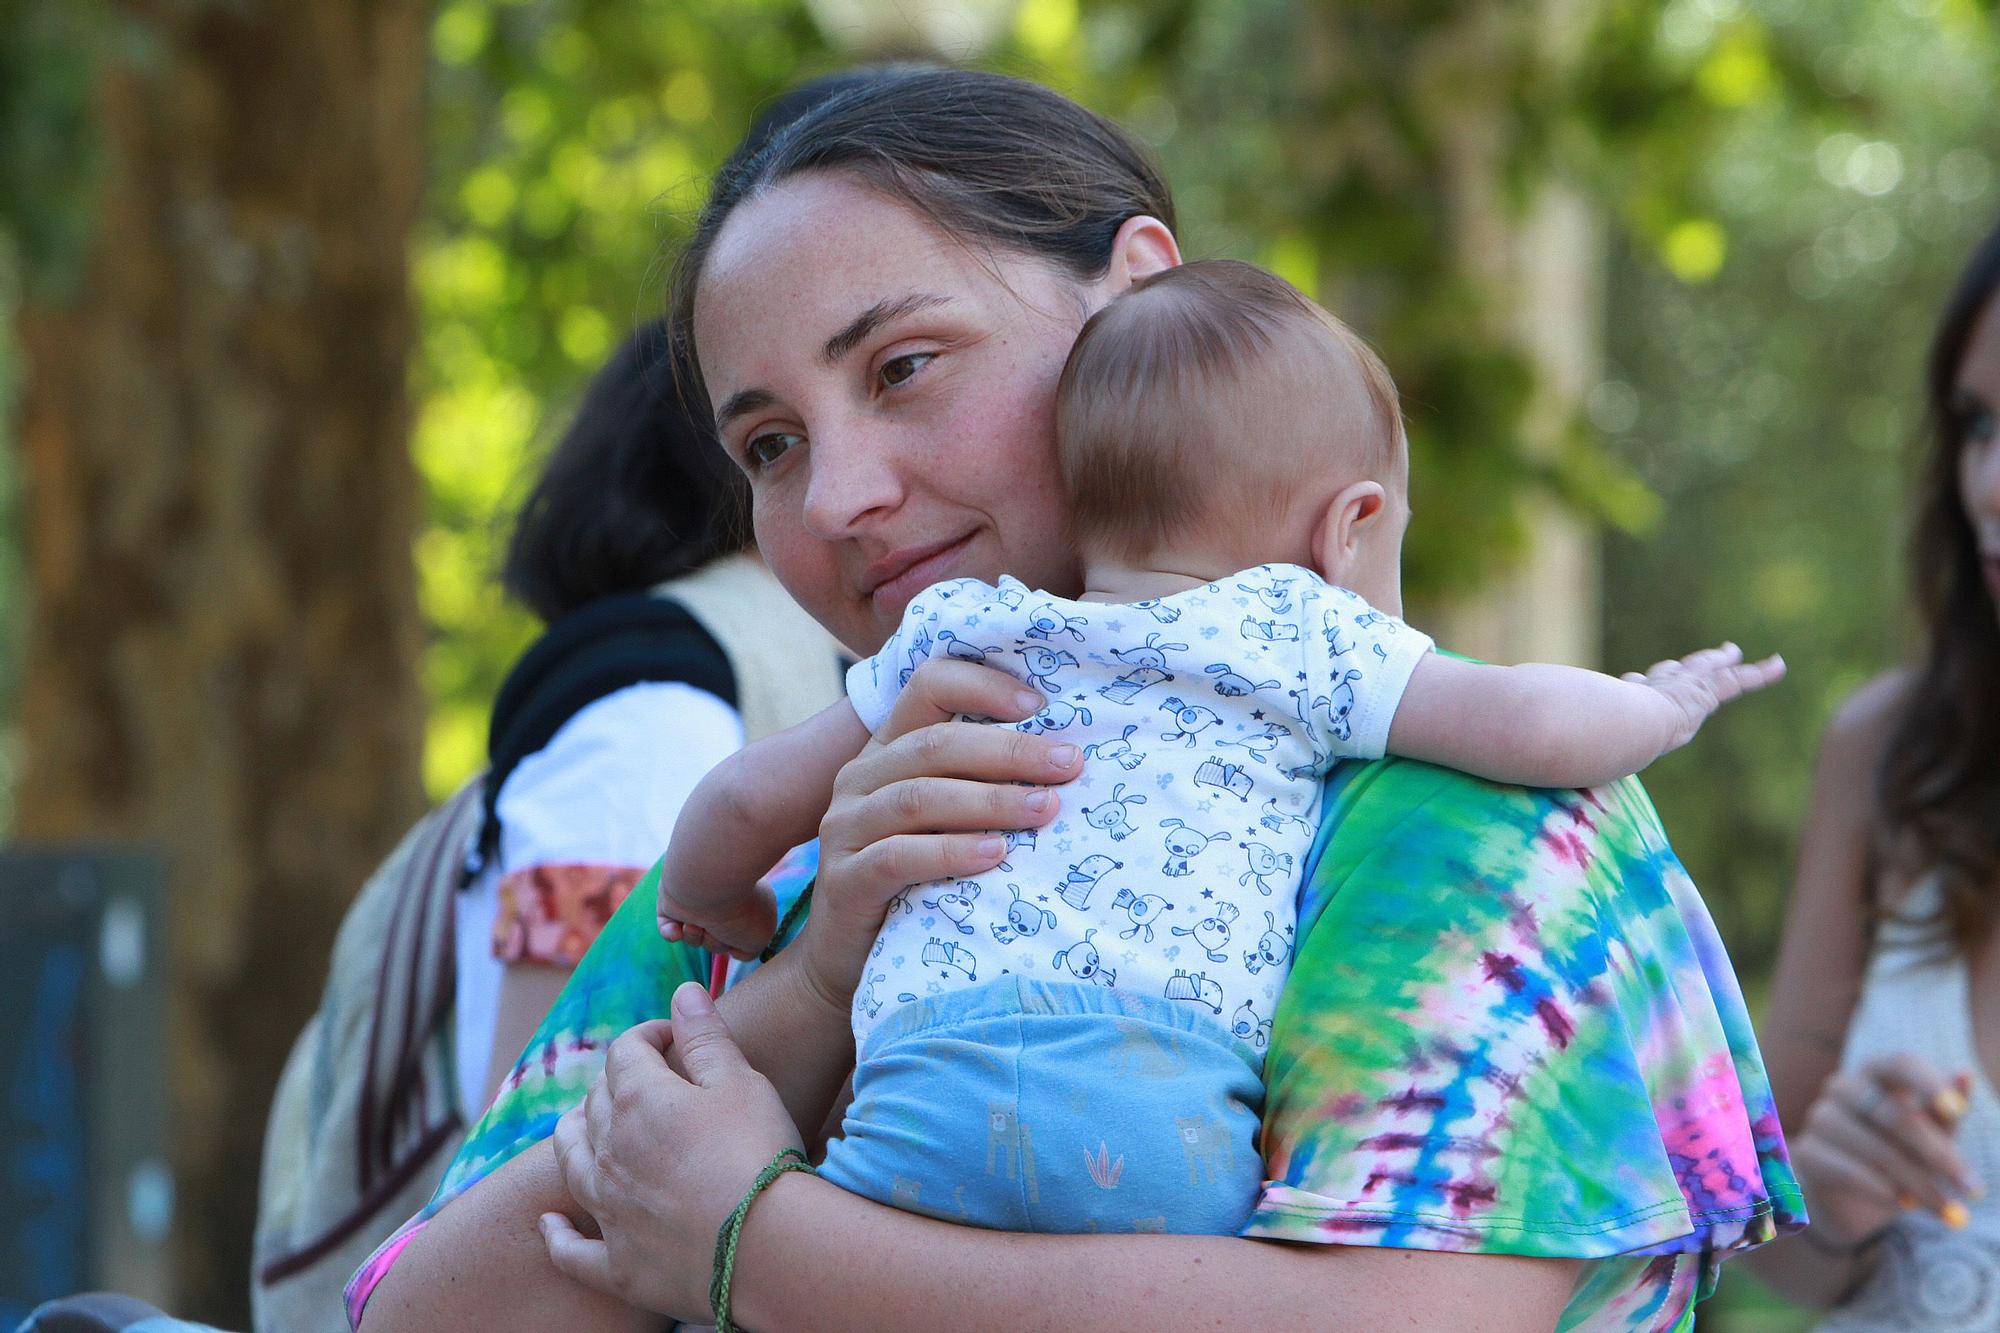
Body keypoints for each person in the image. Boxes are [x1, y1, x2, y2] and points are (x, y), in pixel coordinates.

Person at [353, 68, 1803, 1333]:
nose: (842, 494)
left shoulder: (1470, 816)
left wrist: (754, 1241)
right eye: (774, 444)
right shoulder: (779, 871)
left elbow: (1405, 1320)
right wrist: (815, 985)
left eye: (905, 366)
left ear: (1135, 290)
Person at [653, 258, 1784, 1237]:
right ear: (1345, 530)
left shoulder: (964, 629)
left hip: (918, 1096)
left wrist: (725, 908)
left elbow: (741, 801)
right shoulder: (1301, 636)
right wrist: (1662, 701)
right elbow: (1538, 725)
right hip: (1162, 1112)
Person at [1742, 218, 2000, 1327]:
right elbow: (1763, 1250)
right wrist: (1833, 1197)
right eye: (1977, 425)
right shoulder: (1883, 754)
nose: (1987, 481)